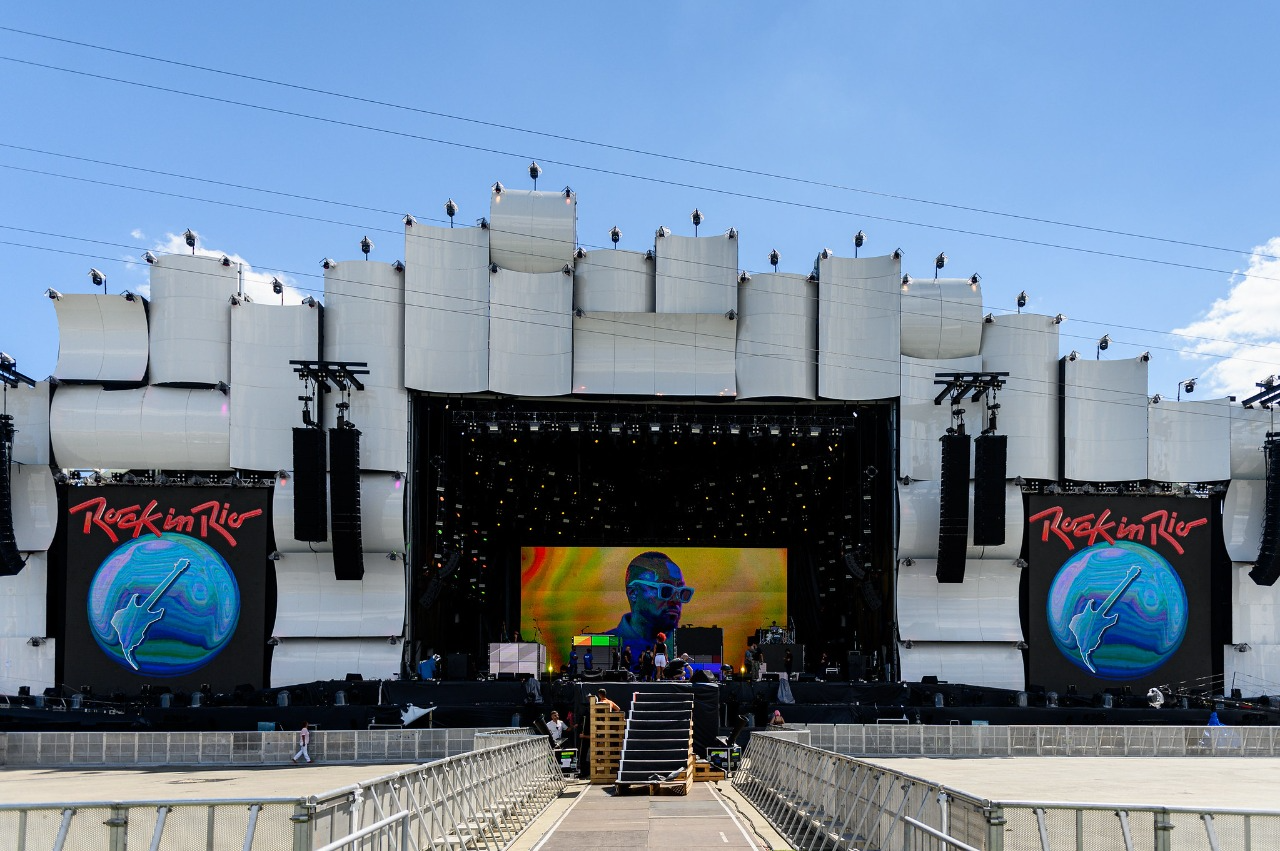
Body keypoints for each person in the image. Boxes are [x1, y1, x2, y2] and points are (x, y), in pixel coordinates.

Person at [604, 551, 693, 665]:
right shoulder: (604, 644)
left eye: (682, 592)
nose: (676, 600)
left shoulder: (688, 648)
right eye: (666, 590)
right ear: (633, 593)